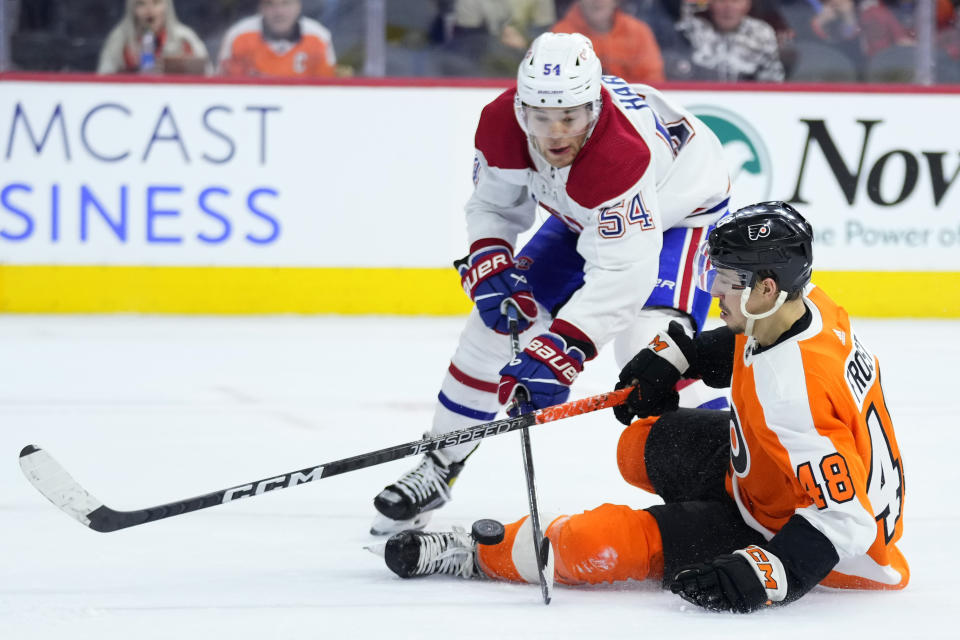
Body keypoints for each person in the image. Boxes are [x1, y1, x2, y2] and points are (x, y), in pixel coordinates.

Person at [381, 202, 909, 613]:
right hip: (769, 477)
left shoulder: (796, 397)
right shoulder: (807, 307)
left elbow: (846, 521)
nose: (715, 293)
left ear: (766, 287)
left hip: (809, 536)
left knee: (592, 543)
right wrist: (683, 354)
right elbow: (753, 350)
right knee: (640, 446)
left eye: (725, 282)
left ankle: (479, 553)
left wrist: (770, 574)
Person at [370, 31, 732, 536]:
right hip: (583, 213)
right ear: (521, 109)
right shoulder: (500, 125)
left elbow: (624, 271)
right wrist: (491, 257)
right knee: (492, 330)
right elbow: (495, 206)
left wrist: (565, 347)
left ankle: (740, 483)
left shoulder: (619, 154)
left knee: (649, 342)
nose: (557, 132)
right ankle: (440, 463)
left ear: (595, 105)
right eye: (542, 116)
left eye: (571, 117)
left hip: (680, 211)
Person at [552, 0, 665, 83]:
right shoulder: (560, 36)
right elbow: (555, 83)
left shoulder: (638, 32)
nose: (597, 2)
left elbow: (652, 82)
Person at [218, 0, 338, 77]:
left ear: (298, 6)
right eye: (270, 4)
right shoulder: (239, 35)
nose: (279, 12)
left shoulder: (318, 37)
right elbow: (223, 83)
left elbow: (326, 85)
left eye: (286, 3)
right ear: (261, 7)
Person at [676, 0, 786, 81]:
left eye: (735, 1)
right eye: (722, 1)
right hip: (698, 100)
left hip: (747, 101)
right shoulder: (692, 30)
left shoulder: (762, 32)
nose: (728, 7)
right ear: (710, 4)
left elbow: (772, 79)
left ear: (748, 4)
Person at [97, 0, 209, 74]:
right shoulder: (119, 40)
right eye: (141, 4)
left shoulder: (185, 38)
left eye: (156, 2)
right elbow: (103, 78)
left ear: (167, 6)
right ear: (132, 9)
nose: (149, 11)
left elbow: (208, 73)